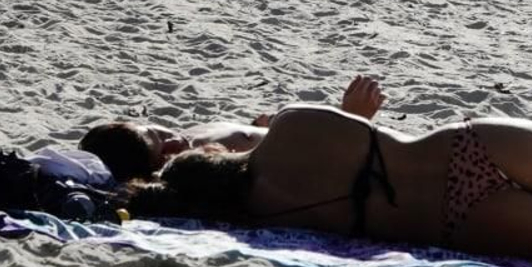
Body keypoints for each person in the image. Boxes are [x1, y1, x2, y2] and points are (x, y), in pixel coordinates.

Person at [108, 100, 532, 267]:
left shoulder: (259, 218)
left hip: (456, 223)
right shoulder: (288, 126)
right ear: (216, 154)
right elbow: (354, 129)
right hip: (464, 145)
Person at [80, 76, 386, 183]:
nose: (174, 140)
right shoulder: (204, 164)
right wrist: (353, 118)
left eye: (159, 132)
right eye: (164, 154)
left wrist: (254, 130)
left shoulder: (188, 136)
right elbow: (303, 165)